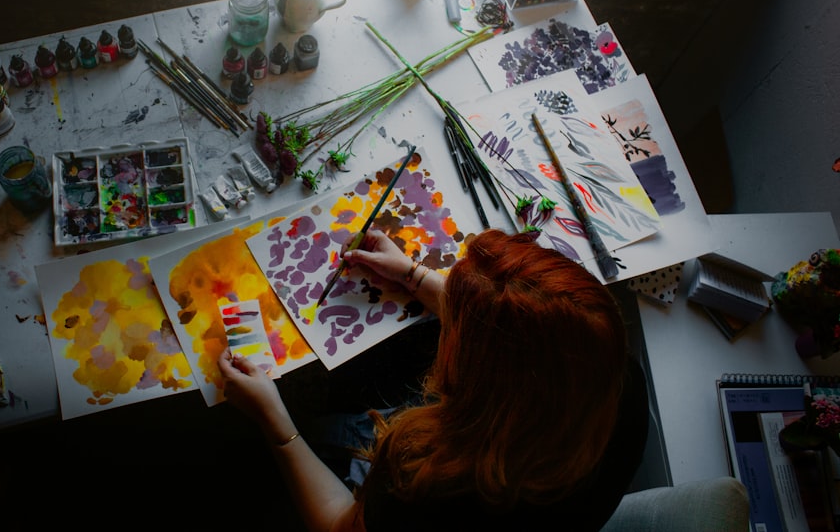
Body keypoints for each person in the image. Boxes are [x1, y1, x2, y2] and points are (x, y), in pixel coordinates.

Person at [217, 228, 648, 531]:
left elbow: (338, 525)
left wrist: (275, 421)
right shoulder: (611, 373)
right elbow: (520, 338)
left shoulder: (431, 489)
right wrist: (411, 275)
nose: (453, 333)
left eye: (462, 337)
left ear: (480, 387)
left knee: (316, 435)